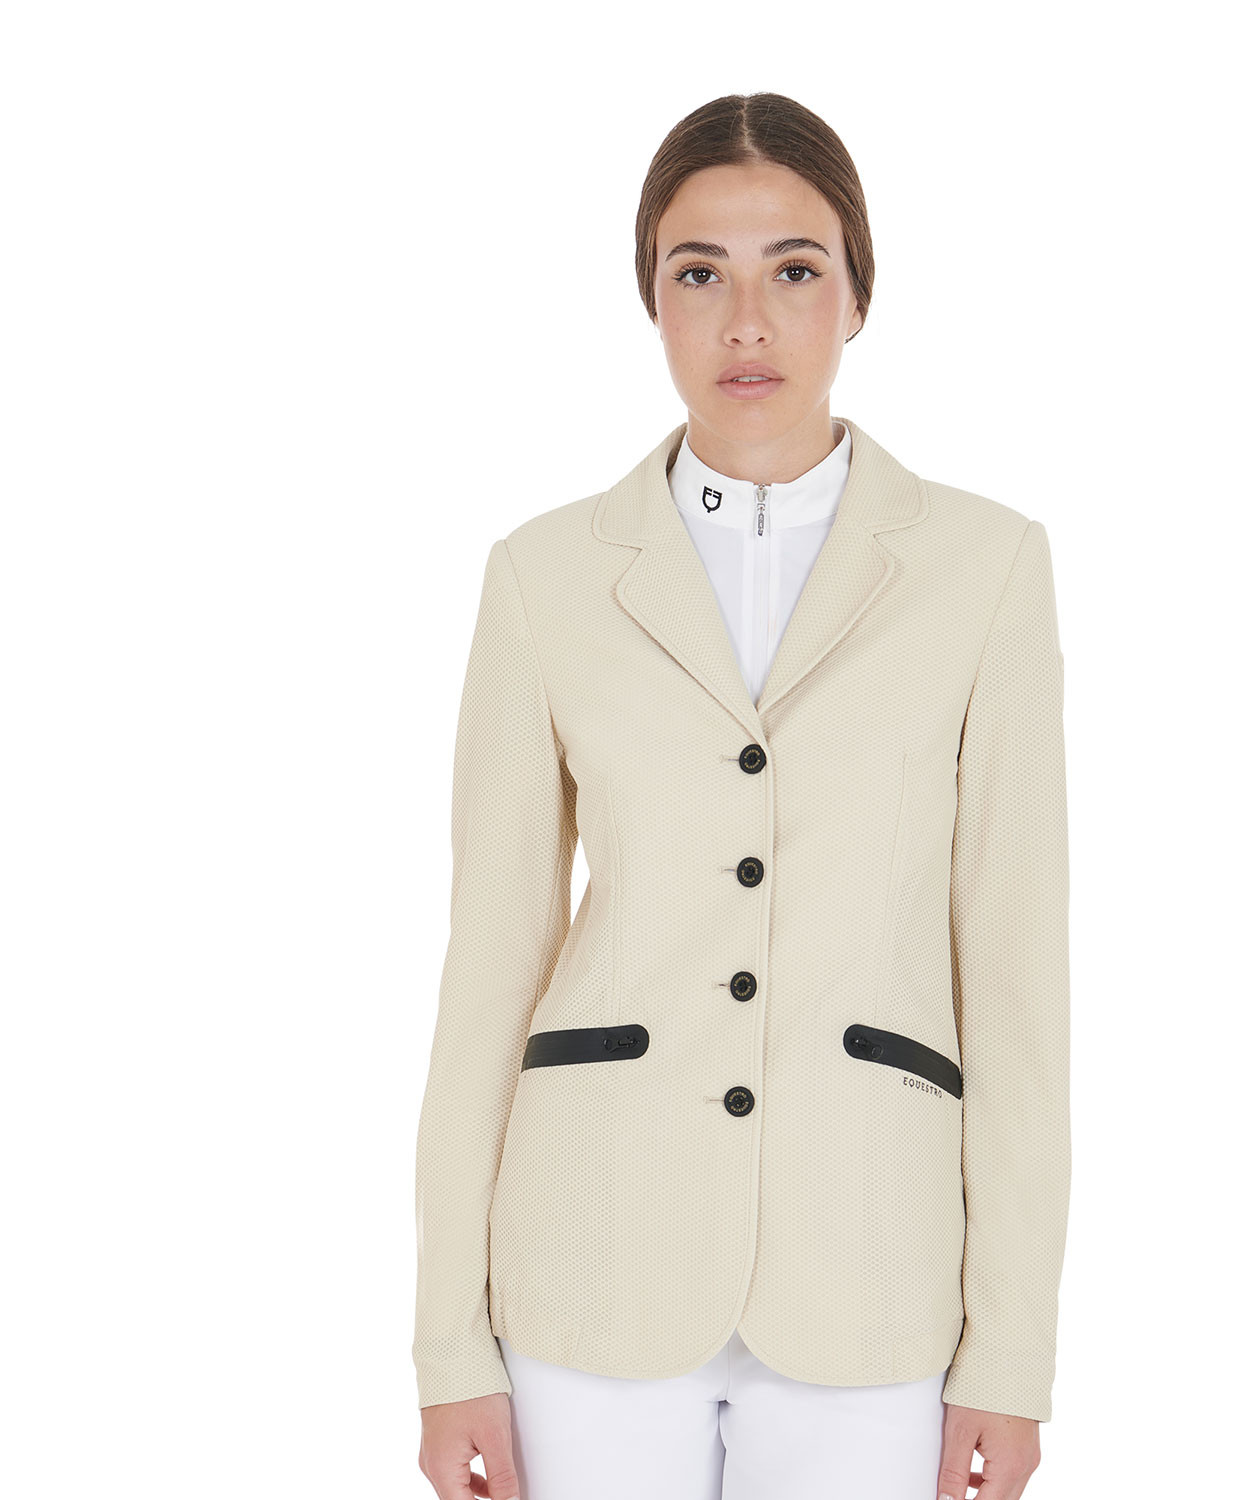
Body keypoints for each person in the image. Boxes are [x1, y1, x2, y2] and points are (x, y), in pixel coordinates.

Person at [413, 92, 1071, 1500]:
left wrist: (1012, 1355)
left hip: (872, 1268)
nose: (748, 323)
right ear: (651, 299)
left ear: (860, 295)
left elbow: (1017, 982)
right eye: (699, 273)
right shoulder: (543, 578)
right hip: (593, 1252)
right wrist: (447, 1343)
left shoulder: (987, 570)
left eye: (796, 270)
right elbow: (489, 971)